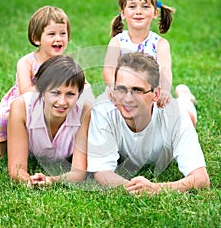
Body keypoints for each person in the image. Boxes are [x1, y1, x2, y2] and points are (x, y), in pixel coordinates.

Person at [87, 52, 210, 195]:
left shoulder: (176, 115)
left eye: (137, 90)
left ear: (156, 94)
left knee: (188, 113)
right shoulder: (103, 110)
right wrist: (136, 188)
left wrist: (155, 189)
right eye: (121, 89)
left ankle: (184, 96)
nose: (128, 99)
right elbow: (102, 172)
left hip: (180, 112)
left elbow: (201, 179)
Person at [0, 5, 71, 159]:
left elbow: (80, 83)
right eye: (51, 34)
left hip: (55, 103)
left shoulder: (66, 62)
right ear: (36, 39)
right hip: (25, 103)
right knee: (2, 117)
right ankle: (0, 155)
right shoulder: (27, 62)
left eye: (63, 33)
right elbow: (25, 90)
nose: (58, 38)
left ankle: (61, 150)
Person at [7, 55, 91, 186]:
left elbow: (78, 172)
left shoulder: (85, 110)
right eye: (55, 93)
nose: (62, 102)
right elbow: (16, 169)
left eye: (70, 94)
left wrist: (50, 180)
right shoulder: (21, 107)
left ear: (79, 94)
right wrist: (29, 181)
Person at [102, 0, 175, 109]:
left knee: (182, 113)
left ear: (155, 13)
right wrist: (114, 87)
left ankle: (185, 95)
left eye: (145, 7)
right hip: (120, 94)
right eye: (132, 6)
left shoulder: (160, 44)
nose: (139, 12)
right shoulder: (117, 42)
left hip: (149, 96)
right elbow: (109, 69)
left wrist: (165, 90)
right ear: (123, 13)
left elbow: (165, 69)